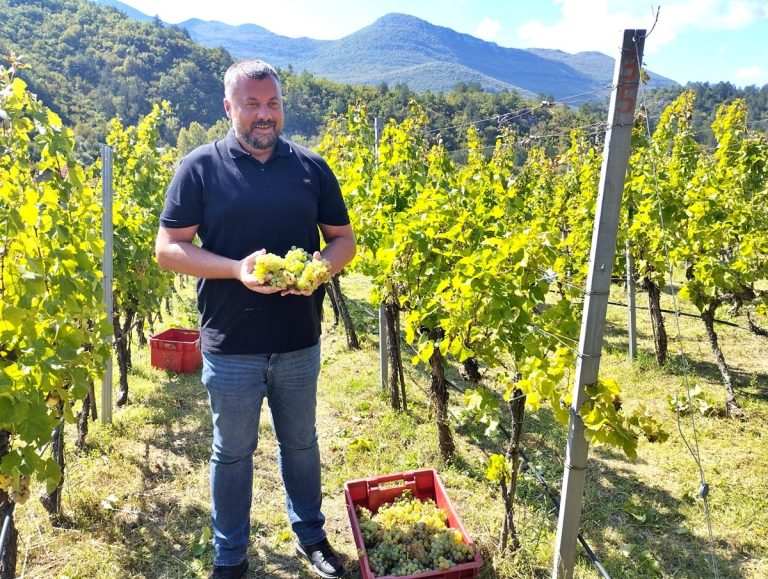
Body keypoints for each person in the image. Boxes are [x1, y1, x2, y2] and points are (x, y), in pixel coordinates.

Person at [155, 58, 356, 579]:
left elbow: (343, 240)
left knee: (302, 442)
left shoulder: (311, 168)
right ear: (229, 108)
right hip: (230, 342)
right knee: (232, 452)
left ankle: (311, 535)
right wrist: (234, 270)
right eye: (252, 105)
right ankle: (230, 556)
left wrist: (320, 270)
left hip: (298, 340)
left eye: (272, 104)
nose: (264, 115)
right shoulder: (199, 168)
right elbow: (168, 249)